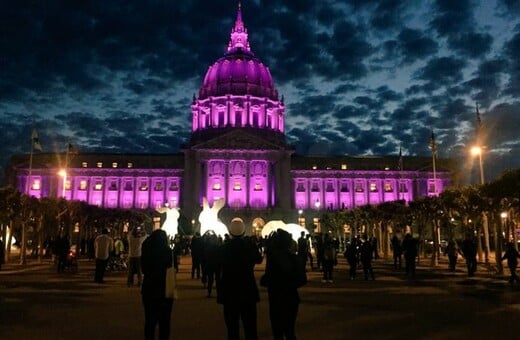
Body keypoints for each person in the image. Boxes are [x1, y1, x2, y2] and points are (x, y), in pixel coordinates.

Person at [216, 218, 263, 340]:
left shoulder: (223, 248)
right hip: (247, 289)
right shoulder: (249, 247)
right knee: (250, 327)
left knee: (232, 329)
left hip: (229, 291)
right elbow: (259, 259)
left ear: (230, 233)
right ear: (243, 232)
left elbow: (217, 265)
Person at [263, 229, 306, 340]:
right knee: (290, 330)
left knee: (277, 332)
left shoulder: (272, 260)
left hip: (276, 298)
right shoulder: (294, 258)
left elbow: (266, 279)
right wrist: (290, 285)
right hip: (291, 298)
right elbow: (302, 279)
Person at [141, 229, 174, 340]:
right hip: (164, 288)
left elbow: (144, 269)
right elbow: (170, 269)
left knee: (150, 321)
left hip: (149, 288)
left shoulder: (146, 249)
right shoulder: (167, 250)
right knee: (164, 322)